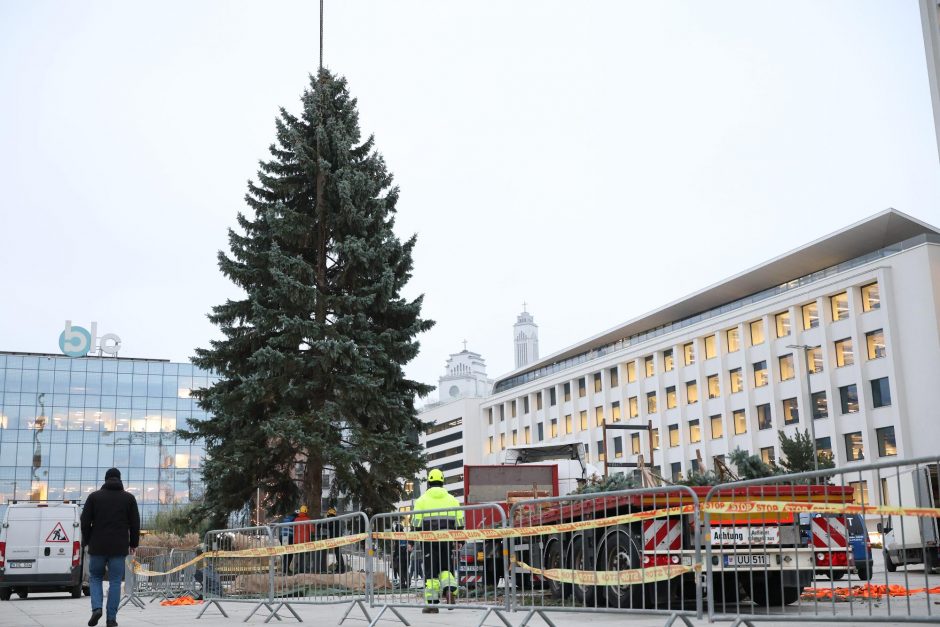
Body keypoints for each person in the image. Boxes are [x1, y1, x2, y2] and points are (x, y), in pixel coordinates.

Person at [80, 467, 140, 627]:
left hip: (97, 546)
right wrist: (133, 543)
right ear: (120, 479)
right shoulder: (128, 498)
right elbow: (135, 524)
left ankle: (97, 609)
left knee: (95, 578)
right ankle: (111, 619)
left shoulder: (94, 497)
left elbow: (84, 522)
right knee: (114, 582)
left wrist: (87, 540)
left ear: (105, 479)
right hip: (118, 547)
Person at [411, 468, 463, 614]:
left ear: (428, 482)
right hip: (447, 540)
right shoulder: (452, 499)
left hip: (428, 542)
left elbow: (416, 524)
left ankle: (432, 605)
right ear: (442, 482)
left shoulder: (421, 501)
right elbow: (460, 522)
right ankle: (450, 590)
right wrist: (460, 540)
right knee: (446, 569)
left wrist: (412, 541)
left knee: (431, 573)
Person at [292, 505, 313, 573]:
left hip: (296, 540)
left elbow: (294, 529)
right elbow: (312, 530)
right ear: (306, 511)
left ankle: (296, 568)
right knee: (305, 555)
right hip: (305, 540)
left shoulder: (296, 520)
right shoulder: (307, 520)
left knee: (297, 554)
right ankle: (305, 569)